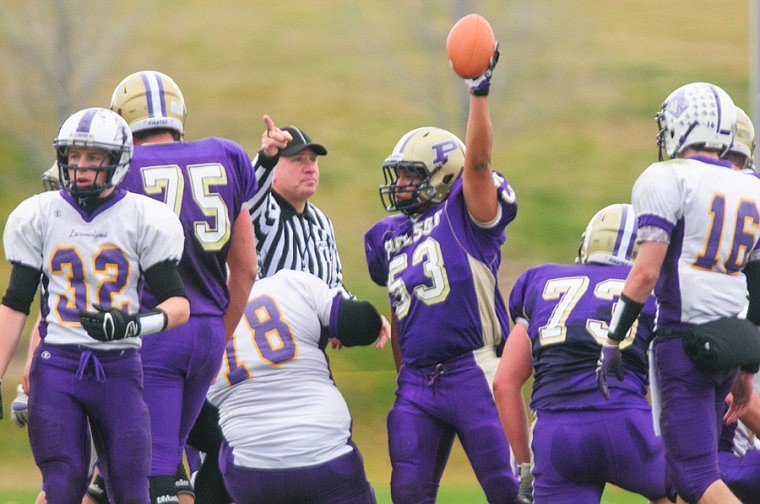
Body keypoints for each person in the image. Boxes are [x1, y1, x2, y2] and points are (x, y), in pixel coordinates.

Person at [81, 70, 257, 504]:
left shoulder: (121, 170)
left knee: (151, 473)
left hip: (151, 333)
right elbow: (247, 267)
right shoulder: (226, 155)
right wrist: (220, 331)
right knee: (123, 470)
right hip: (207, 332)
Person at [0, 107, 190, 503]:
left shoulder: (143, 217)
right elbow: (16, 303)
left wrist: (131, 325)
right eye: (72, 156)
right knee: (62, 483)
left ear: (118, 159)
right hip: (58, 369)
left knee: (131, 490)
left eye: (92, 157)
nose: (79, 166)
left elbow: (179, 306)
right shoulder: (40, 214)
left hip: (120, 368)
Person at [364, 43, 521, 503]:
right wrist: (403, 378)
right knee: (408, 494)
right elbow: (400, 309)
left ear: (443, 175)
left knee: (508, 489)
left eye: (411, 175)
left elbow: (478, 164)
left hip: (474, 367)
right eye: (399, 175)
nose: (400, 185)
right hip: (417, 380)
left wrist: (479, 91)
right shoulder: (389, 235)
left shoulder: (466, 211)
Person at [595, 82, 760, 504]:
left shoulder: (668, 178)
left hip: (683, 342)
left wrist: (613, 339)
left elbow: (645, 274)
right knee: (696, 471)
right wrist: (745, 369)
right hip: (730, 343)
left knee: (693, 477)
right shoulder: (751, 187)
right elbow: (754, 282)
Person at [188, 114, 351, 503]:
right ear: (277, 171)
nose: (309, 167)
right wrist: (262, 158)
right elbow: (244, 198)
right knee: (230, 453)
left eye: (313, 160)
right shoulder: (263, 211)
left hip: (302, 362)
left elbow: (334, 281)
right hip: (250, 358)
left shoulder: (321, 223)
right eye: (297, 160)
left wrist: (347, 318)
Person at [493, 203, 668, 503]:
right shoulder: (657, 293)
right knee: (691, 489)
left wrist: (525, 465)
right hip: (623, 422)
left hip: (556, 435)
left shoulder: (539, 281)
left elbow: (504, 383)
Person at [206, 269, 390, 503]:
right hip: (325, 455)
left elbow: (195, 424)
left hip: (251, 471)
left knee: (223, 453)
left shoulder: (200, 318)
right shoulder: (291, 284)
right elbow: (360, 323)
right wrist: (350, 325)